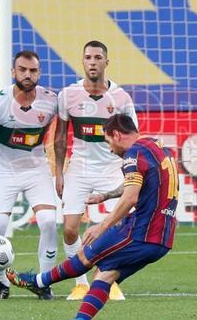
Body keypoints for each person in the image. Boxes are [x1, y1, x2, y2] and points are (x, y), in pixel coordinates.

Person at [7, 114, 178, 320]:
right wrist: (106, 195)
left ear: (117, 134)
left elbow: (130, 198)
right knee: (106, 275)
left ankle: (38, 282)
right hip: (163, 239)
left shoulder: (133, 153)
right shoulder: (156, 146)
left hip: (141, 231)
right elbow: (139, 182)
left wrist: (102, 226)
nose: (109, 149)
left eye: (108, 141)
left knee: (86, 255)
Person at [54, 40, 138, 301]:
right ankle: (80, 284)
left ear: (106, 62)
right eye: (88, 57)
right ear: (82, 62)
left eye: (98, 57)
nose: (93, 61)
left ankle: (109, 279)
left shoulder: (121, 98)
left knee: (120, 224)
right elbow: (59, 137)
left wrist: (130, 170)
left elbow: (133, 140)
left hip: (111, 166)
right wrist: (58, 171)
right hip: (79, 167)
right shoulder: (68, 95)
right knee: (69, 228)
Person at [0, 50, 59, 300]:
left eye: (33, 70)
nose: (28, 74)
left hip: (37, 169)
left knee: (48, 222)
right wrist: (4, 153)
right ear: (13, 72)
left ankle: (44, 283)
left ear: (40, 73)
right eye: (23, 70)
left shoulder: (50, 100)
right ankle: (2, 284)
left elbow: (58, 130)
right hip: (5, 170)